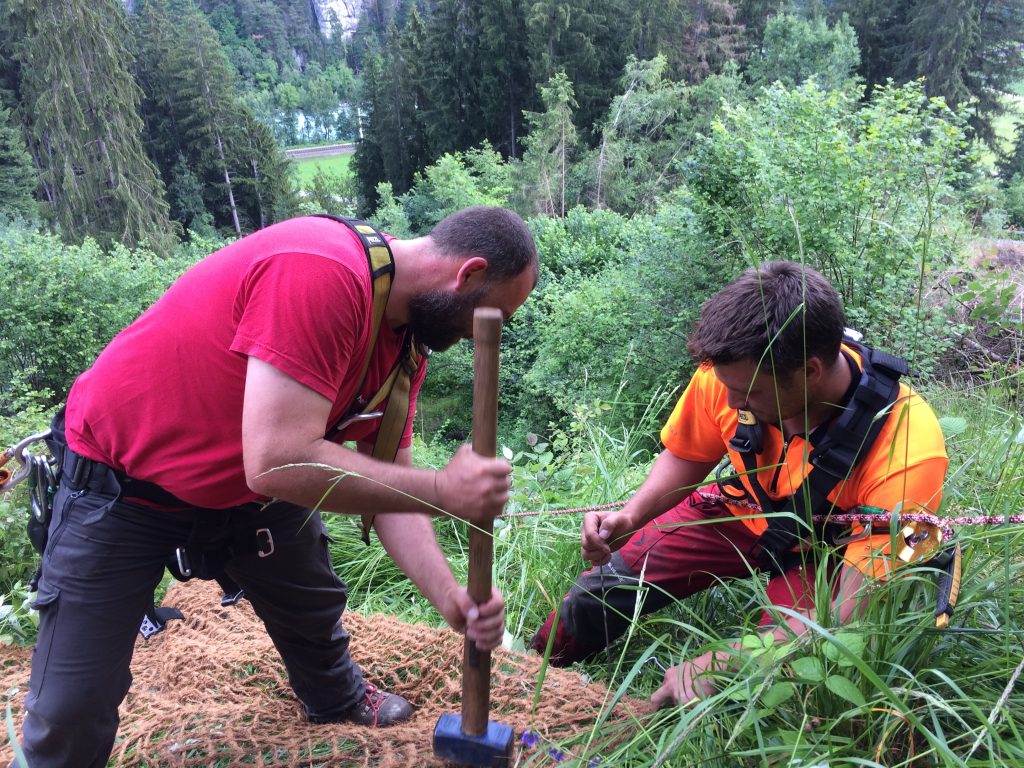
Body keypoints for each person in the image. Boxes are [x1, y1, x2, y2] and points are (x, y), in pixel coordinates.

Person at [17, 206, 538, 766]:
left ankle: (336, 696)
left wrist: (451, 598)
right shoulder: (323, 270)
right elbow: (277, 460)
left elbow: (394, 495)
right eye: (495, 314)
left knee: (313, 610)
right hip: (122, 486)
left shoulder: (403, 350)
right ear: (468, 274)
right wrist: (442, 489)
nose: (485, 333)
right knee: (71, 706)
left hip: (254, 498)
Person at [530, 261, 947, 708]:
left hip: (828, 554)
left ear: (809, 371)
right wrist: (631, 516)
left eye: (748, 395)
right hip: (743, 509)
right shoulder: (734, 373)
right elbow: (687, 455)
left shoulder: (911, 448)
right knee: (602, 590)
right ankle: (524, 670)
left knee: (784, 670)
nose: (729, 402)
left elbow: (853, 613)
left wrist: (728, 662)